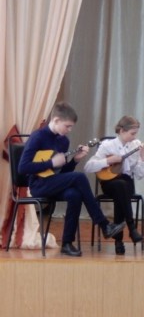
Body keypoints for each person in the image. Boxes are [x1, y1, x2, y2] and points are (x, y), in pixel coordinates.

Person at [17, 102, 126, 257]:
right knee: (79, 177)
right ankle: (104, 224)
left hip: (54, 182)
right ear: (56, 120)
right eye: (67, 126)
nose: (69, 130)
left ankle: (67, 243)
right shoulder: (38, 137)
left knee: (74, 194)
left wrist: (75, 160)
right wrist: (51, 163)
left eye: (71, 127)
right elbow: (22, 168)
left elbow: (63, 173)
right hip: (38, 185)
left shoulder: (64, 141)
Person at [84, 116, 144, 255]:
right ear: (122, 131)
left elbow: (139, 175)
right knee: (120, 187)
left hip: (126, 184)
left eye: (136, 133)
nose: (134, 137)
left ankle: (119, 241)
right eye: (132, 133)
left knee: (122, 189)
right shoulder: (107, 145)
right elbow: (88, 167)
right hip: (109, 183)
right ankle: (131, 227)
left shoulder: (136, 145)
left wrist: (143, 158)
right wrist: (108, 161)